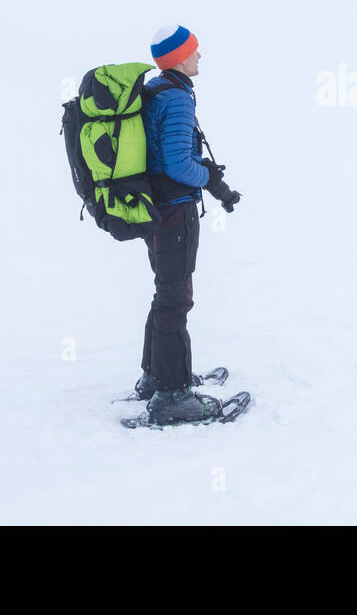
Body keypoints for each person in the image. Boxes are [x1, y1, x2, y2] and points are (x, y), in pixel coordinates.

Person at [134, 24, 242, 425]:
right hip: (174, 211)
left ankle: (156, 376)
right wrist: (210, 178)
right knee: (176, 298)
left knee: (166, 292)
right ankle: (171, 395)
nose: (200, 57)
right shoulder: (176, 97)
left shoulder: (156, 91)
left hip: (155, 210)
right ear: (178, 57)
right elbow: (179, 164)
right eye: (195, 51)